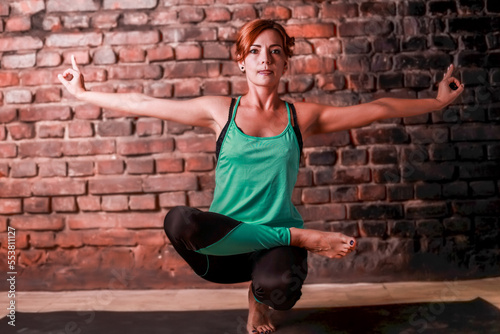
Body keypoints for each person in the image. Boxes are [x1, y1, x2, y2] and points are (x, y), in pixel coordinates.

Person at [59, 19, 464, 334]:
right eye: (254, 51)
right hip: (224, 250)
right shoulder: (221, 111)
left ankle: (260, 295)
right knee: (178, 221)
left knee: (280, 291)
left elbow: (377, 108)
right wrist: (83, 93)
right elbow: (142, 102)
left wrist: (437, 100)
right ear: (242, 60)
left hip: (270, 252)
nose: (264, 59)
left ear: (286, 60)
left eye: (274, 51)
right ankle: (299, 238)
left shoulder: (300, 117)